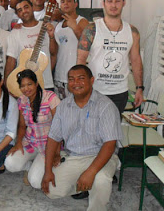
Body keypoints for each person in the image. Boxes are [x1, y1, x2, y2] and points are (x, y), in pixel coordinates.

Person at [41, 65, 122, 211]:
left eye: (81, 78)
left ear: (92, 80)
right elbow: (53, 139)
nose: (75, 82)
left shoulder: (106, 106)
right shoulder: (63, 106)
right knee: (51, 191)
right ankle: (84, 185)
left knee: (101, 180)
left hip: (102, 156)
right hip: (75, 157)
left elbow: (110, 144)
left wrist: (91, 172)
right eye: (71, 79)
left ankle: (96, 197)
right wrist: (48, 171)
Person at [77, 0, 144, 115]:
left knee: (113, 132)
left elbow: (136, 61)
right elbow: (80, 60)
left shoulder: (132, 32)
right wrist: (81, 88)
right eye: (109, 1)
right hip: (95, 91)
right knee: (92, 131)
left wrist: (139, 88)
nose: (113, 5)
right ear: (103, 3)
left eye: (117, 1)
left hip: (120, 93)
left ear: (123, 3)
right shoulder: (91, 29)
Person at [5, 69, 60, 189]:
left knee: (35, 182)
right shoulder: (22, 101)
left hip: (48, 145)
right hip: (30, 142)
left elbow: (59, 126)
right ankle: (31, 166)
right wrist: (18, 143)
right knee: (10, 163)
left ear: (36, 83)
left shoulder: (50, 98)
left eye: (29, 84)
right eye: (23, 86)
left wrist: (56, 152)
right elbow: (22, 126)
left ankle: (47, 166)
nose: (26, 89)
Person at [4, 0, 57, 93]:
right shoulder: (15, 33)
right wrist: (7, 83)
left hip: (46, 83)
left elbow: (54, 53)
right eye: (20, 10)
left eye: (26, 7)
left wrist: (52, 36)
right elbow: (11, 60)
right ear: (18, 15)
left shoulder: (46, 27)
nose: (24, 11)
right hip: (25, 86)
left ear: (32, 8)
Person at [54, 0, 89, 99]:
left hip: (76, 77)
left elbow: (87, 44)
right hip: (59, 76)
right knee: (62, 111)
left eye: (69, 0)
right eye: (63, 1)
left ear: (75, 4)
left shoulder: (82, 21)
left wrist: (75, 27)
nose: (66, 3)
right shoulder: (58, 25)